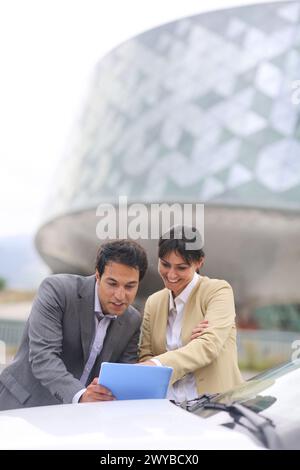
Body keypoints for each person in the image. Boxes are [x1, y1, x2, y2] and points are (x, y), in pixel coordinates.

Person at [0, 240, 148, 410]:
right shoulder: (57, 290)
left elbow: (123, 376)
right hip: (22, 405)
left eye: (130, 286)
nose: (120, 296)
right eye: (112, 284)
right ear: (98, 276)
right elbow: (43, 357)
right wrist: (80, 395)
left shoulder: (132, 320)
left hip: (78, 418)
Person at [139, 225, 244, 402]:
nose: (171, 274)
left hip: (215, 406)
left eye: (181, 268)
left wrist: (158, 364)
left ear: (199, 263)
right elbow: (146, 355)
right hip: (166, 407)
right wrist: (153, 363)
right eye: (165, 264)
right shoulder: (154, 302)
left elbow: (207, 346)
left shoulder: (218, 291)